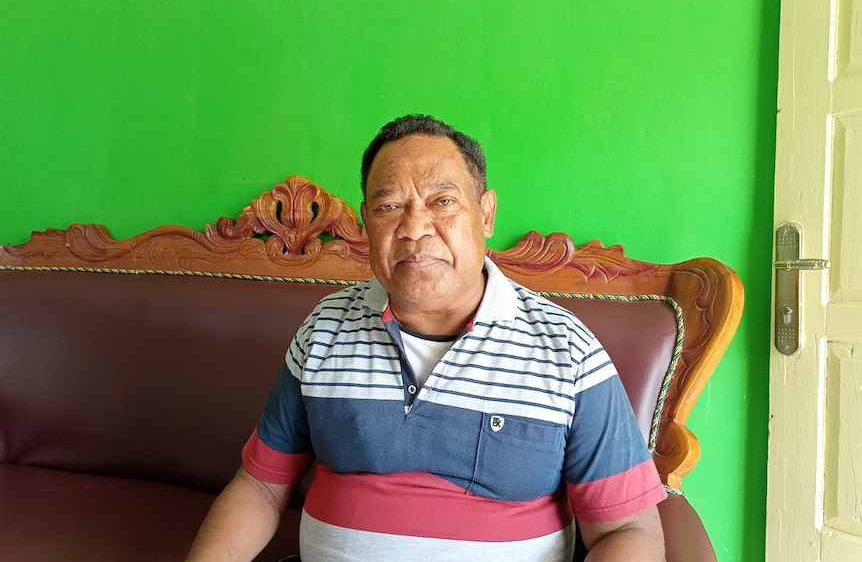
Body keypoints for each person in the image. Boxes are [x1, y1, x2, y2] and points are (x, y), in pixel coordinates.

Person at [186, 114, 667, 562]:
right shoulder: (326, 328)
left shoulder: (566, 352)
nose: (414, 228)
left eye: (442, 201)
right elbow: (262, 486)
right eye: (389, 206)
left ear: (486, 213)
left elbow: (628, 531)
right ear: (366, 223)